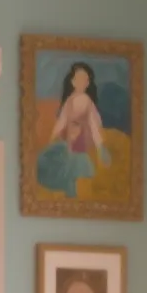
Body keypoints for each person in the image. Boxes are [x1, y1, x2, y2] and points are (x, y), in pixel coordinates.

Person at [35, 62, 110, 199]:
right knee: (60, 162)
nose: (81, 82)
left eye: (85, 79)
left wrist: (100, 147)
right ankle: (69, 190)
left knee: (75, 166)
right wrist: (52, 137)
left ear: (88, 83)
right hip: (67, 139)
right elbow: (62, 121)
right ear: (72, 81)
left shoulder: (87, 101)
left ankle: (72, 193)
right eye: (78, 79)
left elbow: (94, 125)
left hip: (80, 140)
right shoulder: (69, 100)